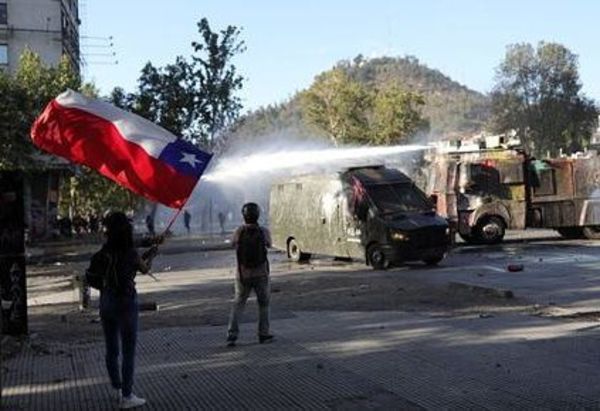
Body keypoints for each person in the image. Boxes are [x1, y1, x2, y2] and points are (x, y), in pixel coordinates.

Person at [88, 211, 159, 409]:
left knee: (111, 349)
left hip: (106, 301)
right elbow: (144, 269)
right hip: (126, 303)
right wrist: (152, 254)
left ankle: (117, 387)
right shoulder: (131, 253)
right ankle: (127, 396)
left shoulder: (103, 252)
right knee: (128, 350)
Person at [226, 203, 274, 347]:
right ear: (258, 215)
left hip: (243, 275)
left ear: (244, 215)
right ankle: (263, 334)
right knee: (264, 305)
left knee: (238, 304)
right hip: (261, 274)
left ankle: (232, 335)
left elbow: (232, 244)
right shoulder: (263, 231)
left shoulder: (239, 231)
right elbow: (269, 244)